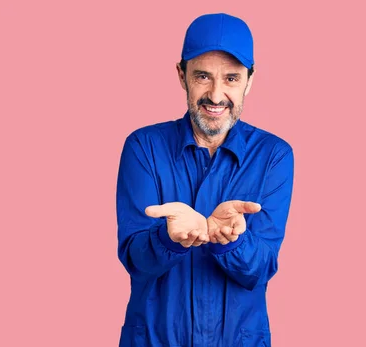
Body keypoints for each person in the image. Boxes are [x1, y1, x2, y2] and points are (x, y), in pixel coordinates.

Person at [115, 13, 294, 347]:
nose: (215, 95)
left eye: (231, 78)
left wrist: (233, 239)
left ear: (249, 82)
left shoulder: (273, 156)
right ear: (181, 76)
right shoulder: (143, 148)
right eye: (202, 76)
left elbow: (260, 269)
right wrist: (168, 238)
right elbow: (135, 260)